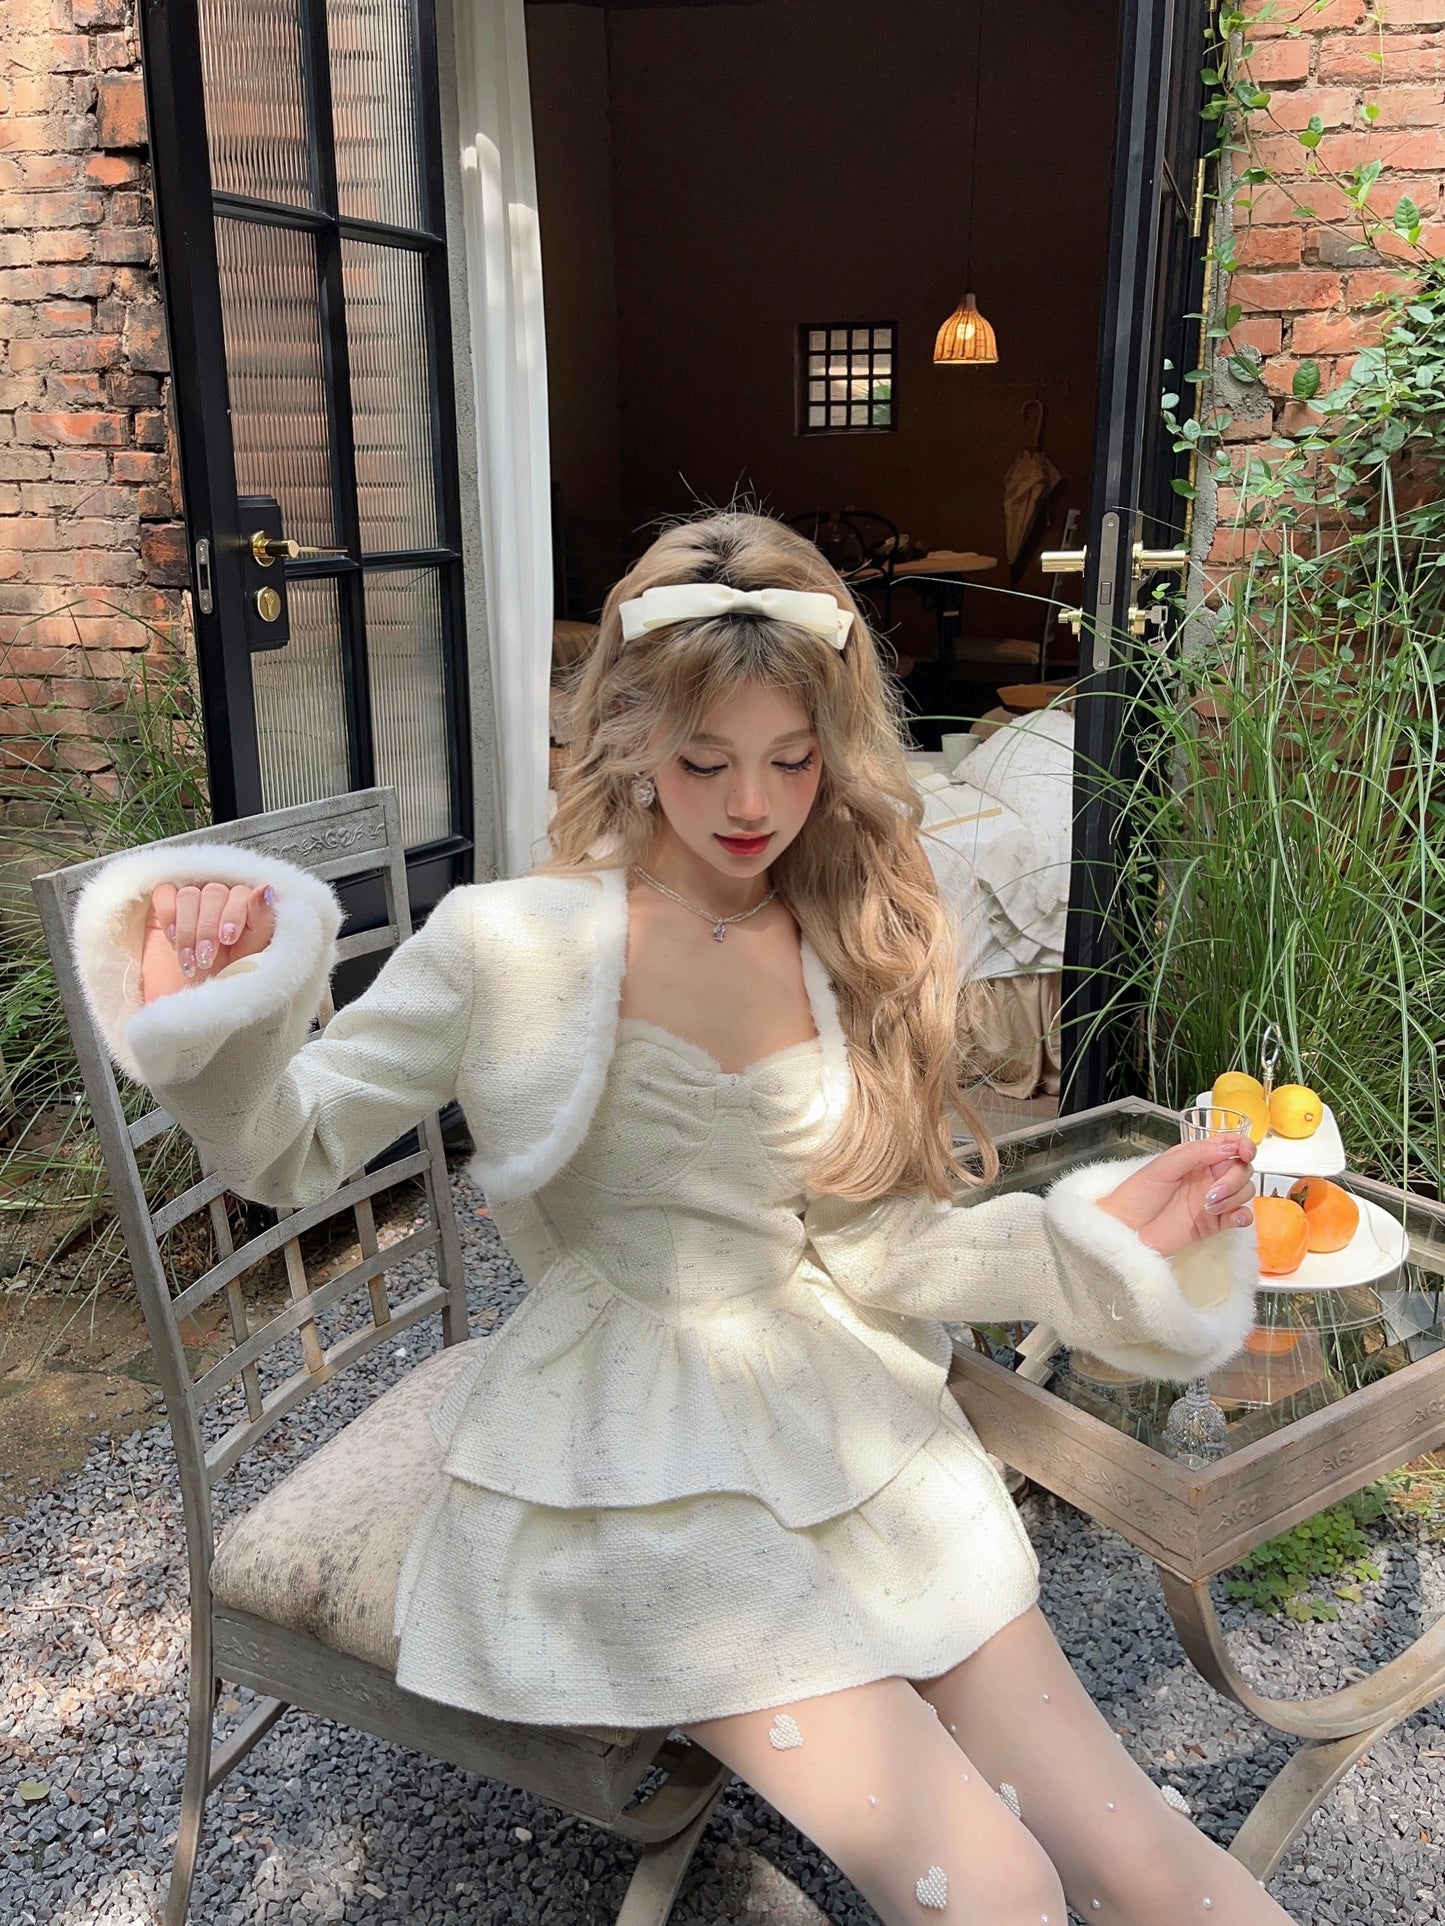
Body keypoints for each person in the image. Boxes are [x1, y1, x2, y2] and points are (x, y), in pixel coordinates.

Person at [71, 513, 1289, 1925]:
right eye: (705, 760)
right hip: (625, 1457)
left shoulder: (849, 938)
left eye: (792, 758)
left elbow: (878, 1245)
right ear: (632, 733)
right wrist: (212, 1017)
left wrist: (1099, 1237)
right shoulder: (506, 944)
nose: (750, 804)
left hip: (839, 1412)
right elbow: (289, 1146)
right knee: (993, 1889)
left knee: (1144, 1855)